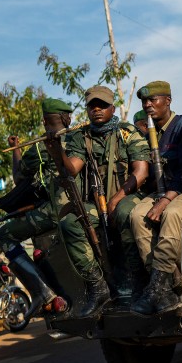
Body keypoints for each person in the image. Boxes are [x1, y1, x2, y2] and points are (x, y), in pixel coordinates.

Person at [46, 85, 150, 317]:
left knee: (124, 212)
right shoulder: (81, 137)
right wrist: (55, 151)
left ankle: (139, 284)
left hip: (129, 197)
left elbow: (141, 172)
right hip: (98, 206)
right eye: (92, 106)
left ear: (112, 108)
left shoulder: (127, 132)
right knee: (70, 223)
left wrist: (117, 198)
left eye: (102, 105)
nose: (97, 109)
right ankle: (98, 286)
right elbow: (72, 168)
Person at [0, 98, 72, 320]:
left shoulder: (40, 147)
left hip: (57, 210)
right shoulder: (82, 137)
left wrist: (16, 149)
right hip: (86, 206)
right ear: (67, 118)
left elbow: (20, 177)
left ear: (45, 120)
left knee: (4, 235)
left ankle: (43, 293)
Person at [129, 81, 182, 316]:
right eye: (144, 101)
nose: (148, 105)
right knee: (137, 215)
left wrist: (166, 199)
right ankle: (163, 282)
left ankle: (157, 286)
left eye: (153, 100)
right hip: (158, 191)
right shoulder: (146, 132)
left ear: (168, 100)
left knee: (172, 214)